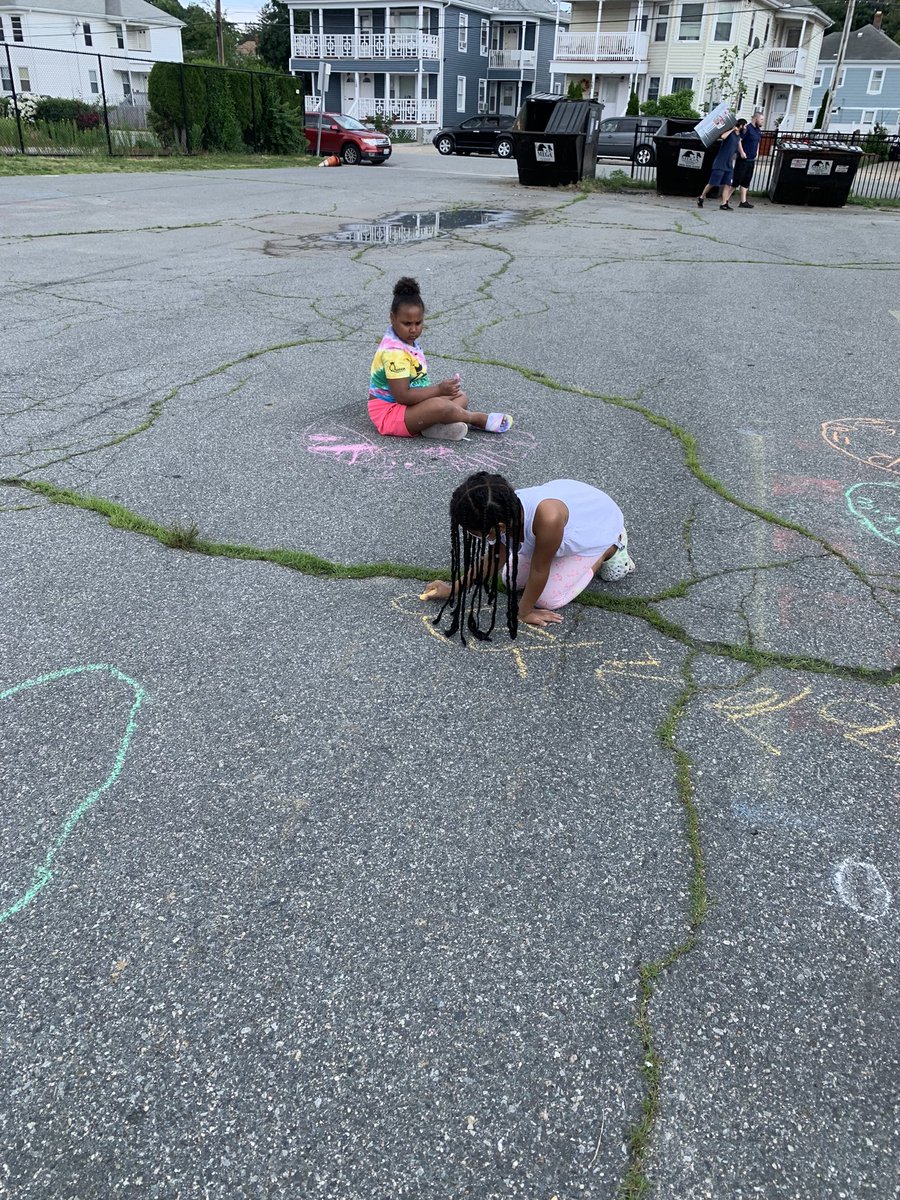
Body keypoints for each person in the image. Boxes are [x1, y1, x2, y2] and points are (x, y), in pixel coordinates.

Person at [422, 472, 634, 643]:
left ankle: (610, 547)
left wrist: (524, 612)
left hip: (595, 525)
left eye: (474, 532)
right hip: (565, 522)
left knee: (547, 600)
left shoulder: (547, 519)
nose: (472, 535)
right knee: (509, 580)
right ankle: (564, 553)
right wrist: (453, 590)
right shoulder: (499, 509)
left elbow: (539, 570)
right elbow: (494, 558)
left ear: (500, 527)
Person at [368, 277, 513, 442]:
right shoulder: (394, 352)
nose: (413, 329)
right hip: (390, 413)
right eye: (407, 323)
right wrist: (438, 390)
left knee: (460, 396)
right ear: (392, 318)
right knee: (440, 406)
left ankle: (432, 425)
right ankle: (476, 419)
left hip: (408, 408)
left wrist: (443, 392)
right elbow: (402, 397)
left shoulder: (405, 339)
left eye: (418, 322)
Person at [697, 119, 746, 211]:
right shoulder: (730, 134)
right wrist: (732, 129)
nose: (745, 128)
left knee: (728, 184)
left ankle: (724, 203)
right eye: (745, 125)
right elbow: (723, 137)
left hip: (729, 163)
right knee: (712, 183)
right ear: (740, 126)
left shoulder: (738, 137)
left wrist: (743, 154)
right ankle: (701, 197)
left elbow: (740, 147)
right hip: (720, 162)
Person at [733, 112, 763, 208]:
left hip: (751, 159)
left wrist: (757, 152)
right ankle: (725, 201)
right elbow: (739, 140)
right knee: (737, 180)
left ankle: (743, 201)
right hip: (743, 159)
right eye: (761, 119)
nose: (762, 121)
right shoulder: (747, 129)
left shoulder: (758, 130)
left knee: (746, 181)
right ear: (756, 119)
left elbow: (757, 142)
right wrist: (742, 152)